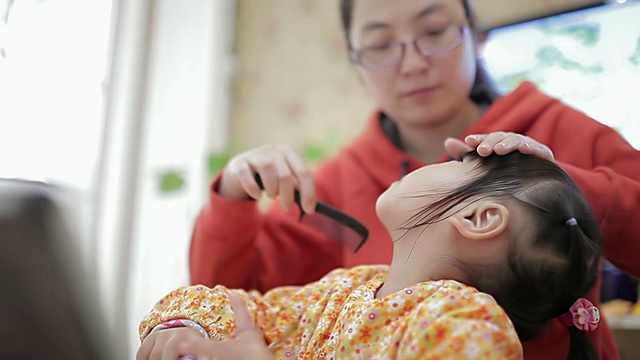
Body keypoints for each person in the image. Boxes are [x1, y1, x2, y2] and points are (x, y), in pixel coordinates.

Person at [188, 0, 640, 358]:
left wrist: (561, 187)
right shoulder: (334, 185)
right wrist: (233, 193)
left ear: (475, 35)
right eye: (381, 44)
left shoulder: (563, 132)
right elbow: (231, 302)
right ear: (356, 60)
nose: (412, 63)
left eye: (434, 31)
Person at [139, 152, 602, 360]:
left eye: (462, 165)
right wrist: (187, 329)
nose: (439, 160)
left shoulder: (463, 323)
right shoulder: (349, 287)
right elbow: (246, 308)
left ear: (480, 218)